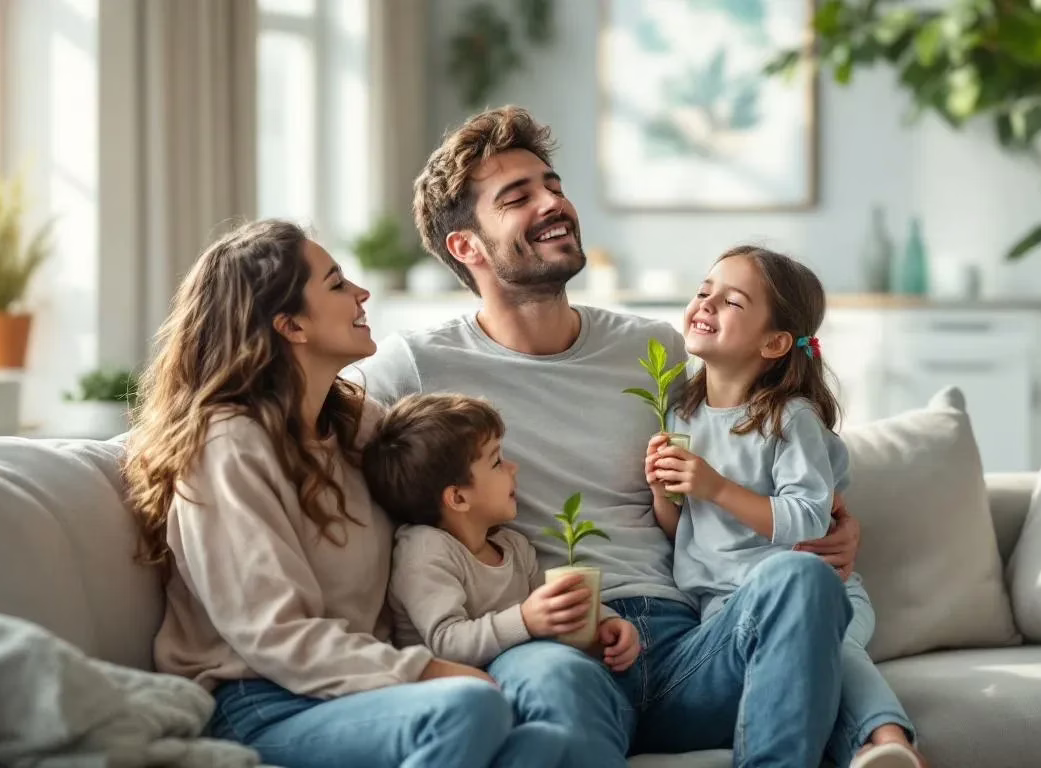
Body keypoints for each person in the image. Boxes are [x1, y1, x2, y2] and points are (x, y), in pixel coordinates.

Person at [351, 106, 862, 766]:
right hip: (560, 644)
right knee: (553, 679)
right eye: (519, 196)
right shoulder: (416, 366)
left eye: (554, 185)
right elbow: (300, 424)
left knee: (800, 580)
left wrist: (838, 520)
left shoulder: (653, 346)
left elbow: (764, 438)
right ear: (467, 247)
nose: (554, 202)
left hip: (689, 641)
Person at [122, 218, 568, 768]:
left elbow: (459, 481)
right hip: (261, 700)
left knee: (553, 742)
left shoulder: (359, 427)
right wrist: (428, 671)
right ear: (291, 325)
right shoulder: (229, 445)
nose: (362, 294)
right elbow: (274, 632)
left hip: (363, 686)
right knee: (464, 708)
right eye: (336, 284)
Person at [645, 246, 926, 768]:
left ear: (774, 342)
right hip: (724, 611)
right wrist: (667, 495)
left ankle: (889, 741)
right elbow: (679, 531)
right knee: (800, 665)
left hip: (818, 596)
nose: (705, 304)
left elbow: (808, 518)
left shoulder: (788, 419)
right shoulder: (678, 411)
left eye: (730, 301)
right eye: (704, 291)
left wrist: (716, 486)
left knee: (831, 650)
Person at [361, 392, 641, 672]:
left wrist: (604, 622)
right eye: (497, 462)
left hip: (526, 671)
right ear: (458, 498)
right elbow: (446, 642)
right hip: (460, 692)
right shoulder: (423, 551)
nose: (513, 467)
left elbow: (553, 602)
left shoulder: (513, 544)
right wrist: (524, 620)